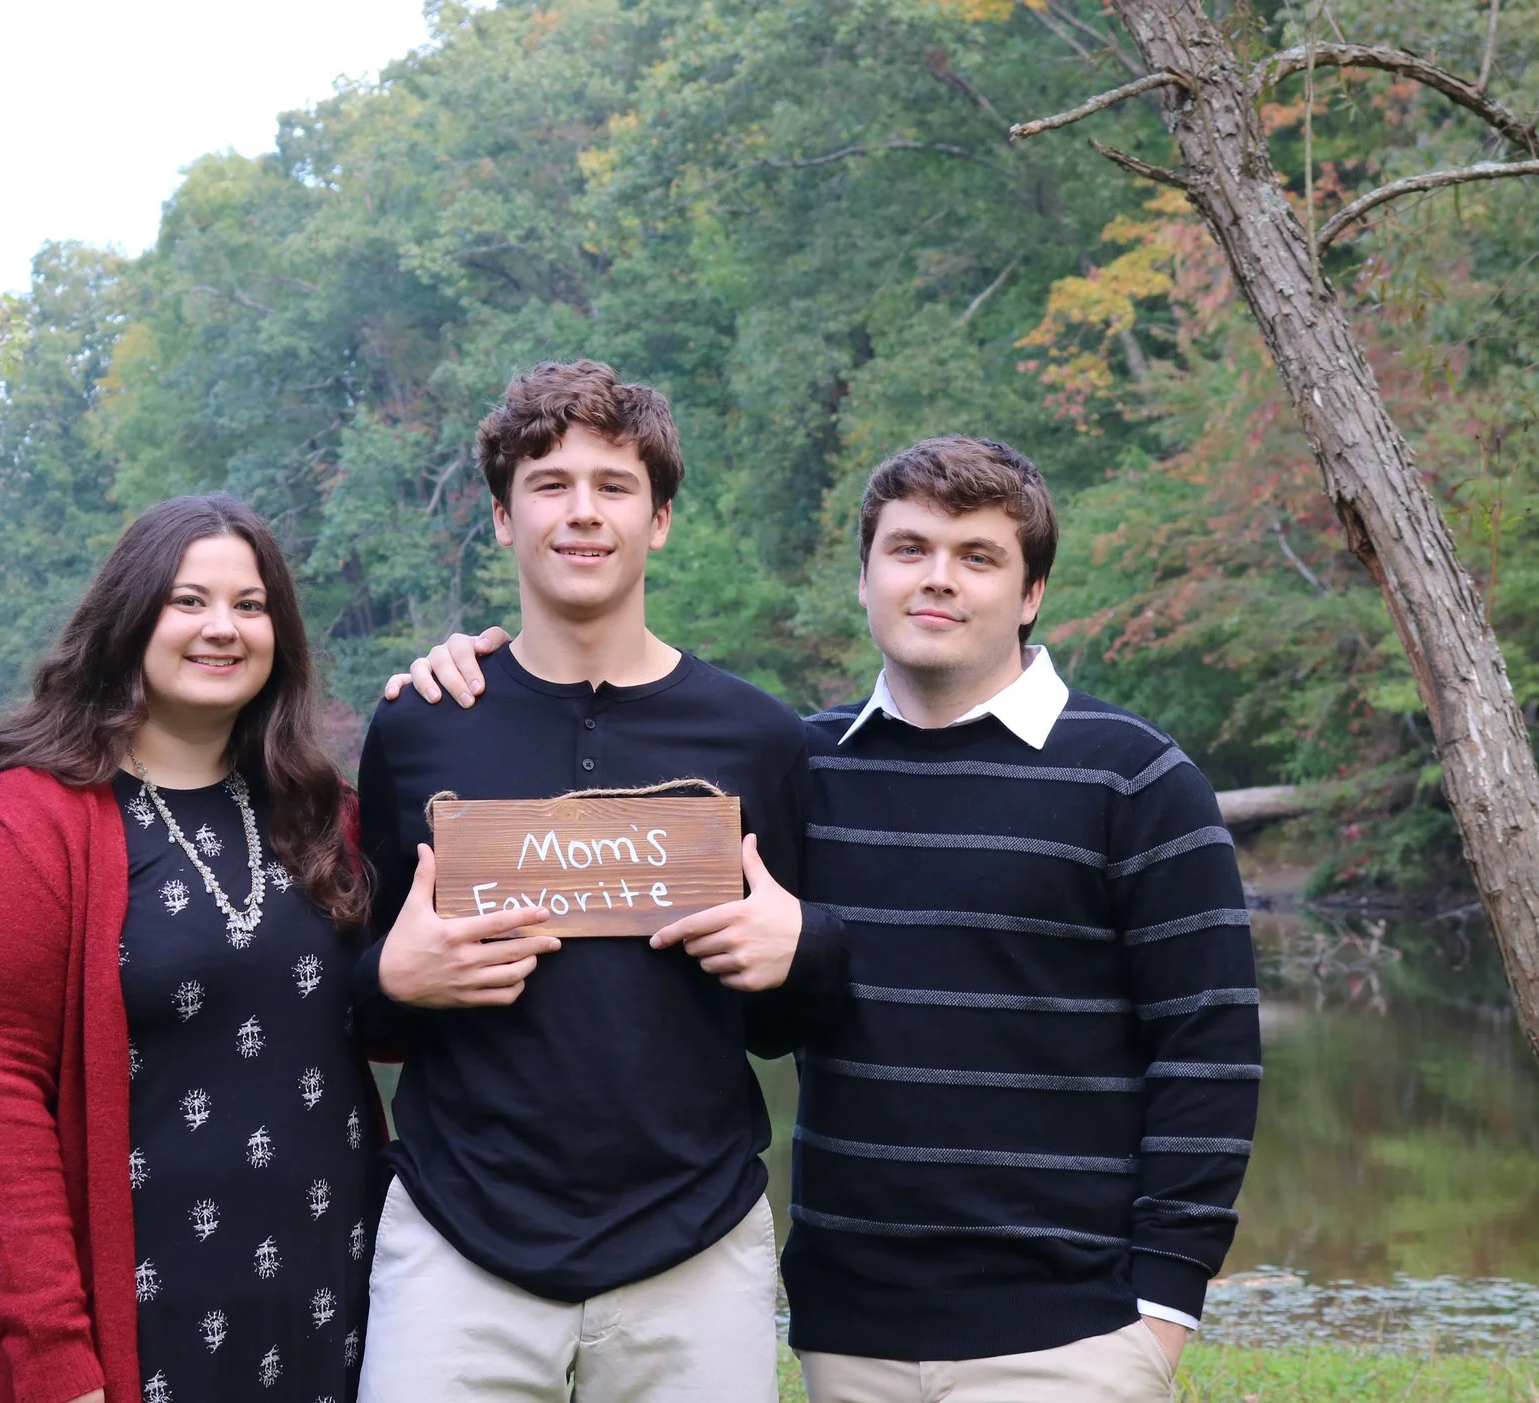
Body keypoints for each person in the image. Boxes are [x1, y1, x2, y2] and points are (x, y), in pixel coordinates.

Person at [390, 435, 1260, 1401]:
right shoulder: (797, 764)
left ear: (1031, 593)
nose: (938, 581)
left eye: (977, 557)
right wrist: (476, 674)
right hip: (852, 1330)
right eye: (909, 550)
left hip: (1072, 1334)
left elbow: (1208, 1049)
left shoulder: (1134, 776)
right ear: (864, 578)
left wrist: (1164, 1306)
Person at [353, 360, 844, 1403]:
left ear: (658, 518)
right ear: (501, 517)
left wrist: (802, 949)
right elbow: (361, 992)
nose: (582, 512)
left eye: (614, 485)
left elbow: (786, 1014)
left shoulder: (757, 735)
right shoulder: (418, 723)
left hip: (696, 1245)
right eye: (549, 482)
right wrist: (389, 981)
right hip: (456, 1238)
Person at [0, 493, 386, 1403]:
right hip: (133, 1327)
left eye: (251, 605)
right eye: (188, 600)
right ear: (128, 619)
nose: (223, 628)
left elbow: (394, 1017)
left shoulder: (322, 814)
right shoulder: (18, 829)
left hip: (328, 1298)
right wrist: (57, 1367)